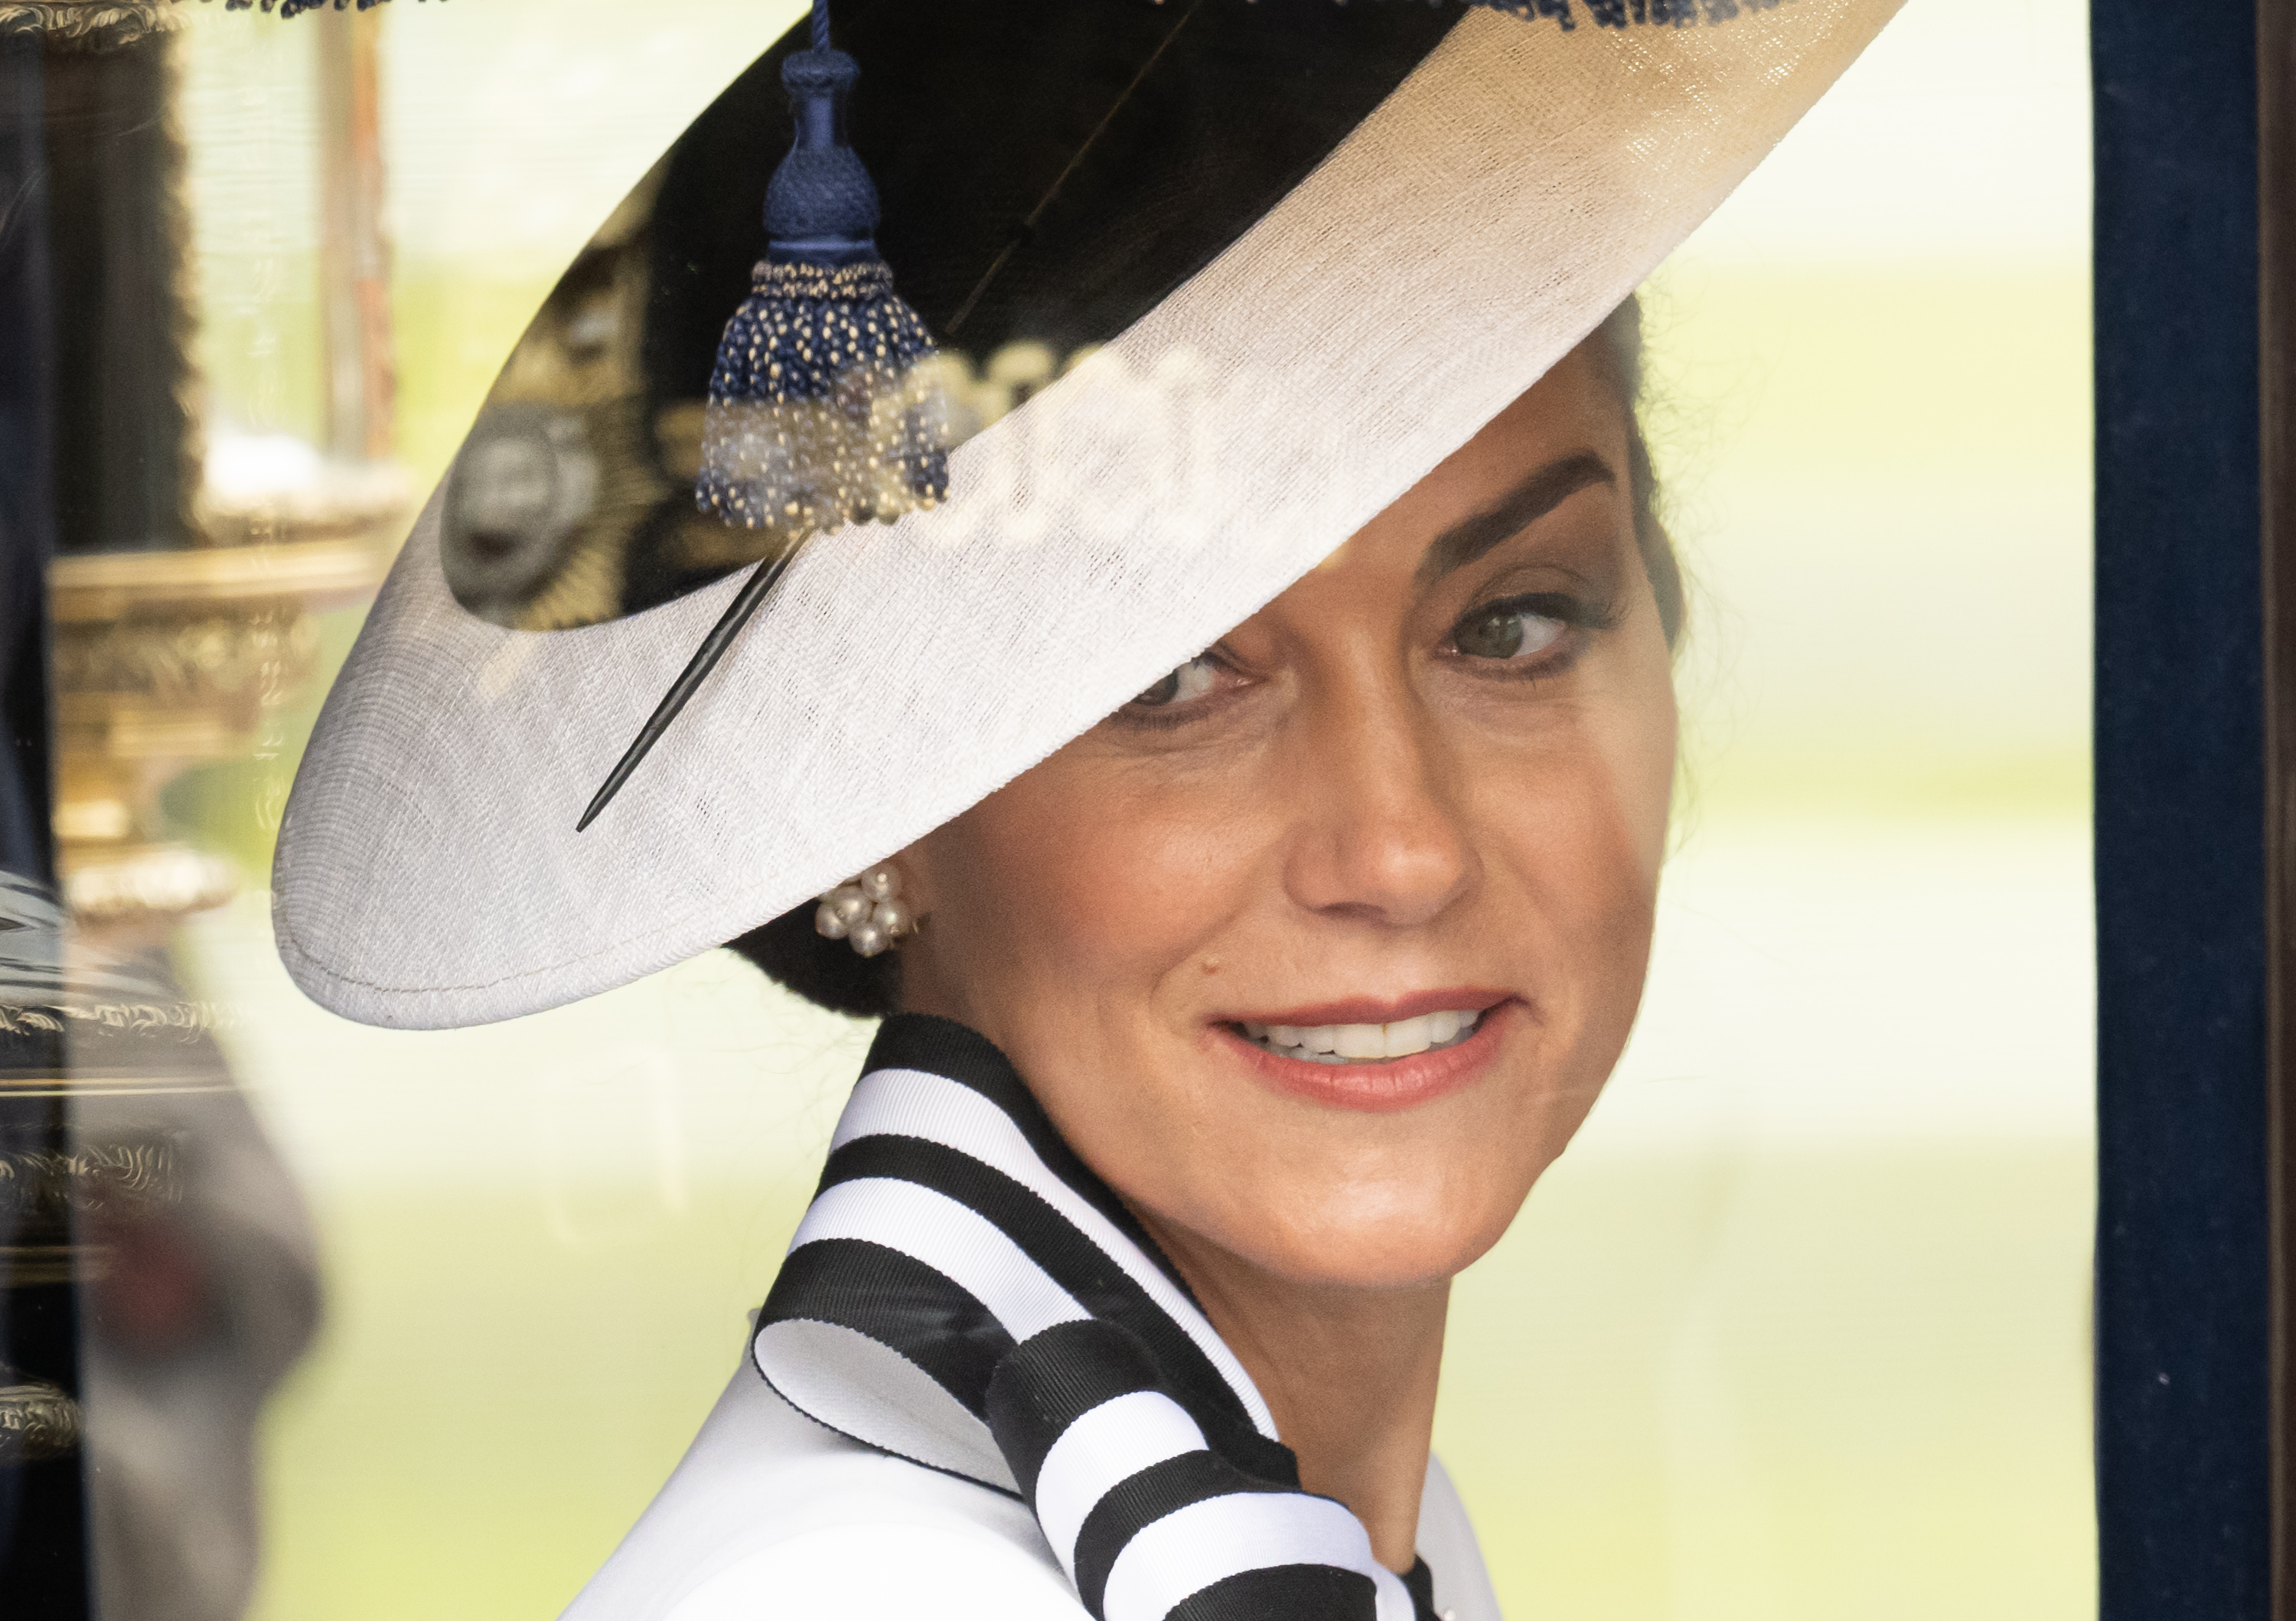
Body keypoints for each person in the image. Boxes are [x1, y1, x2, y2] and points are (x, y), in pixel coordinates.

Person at [271, 2, 1897, 1616]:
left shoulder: (1309, 1536)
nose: (1399, 849)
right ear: (882, 813)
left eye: (1511, 625)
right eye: (1176, 679)